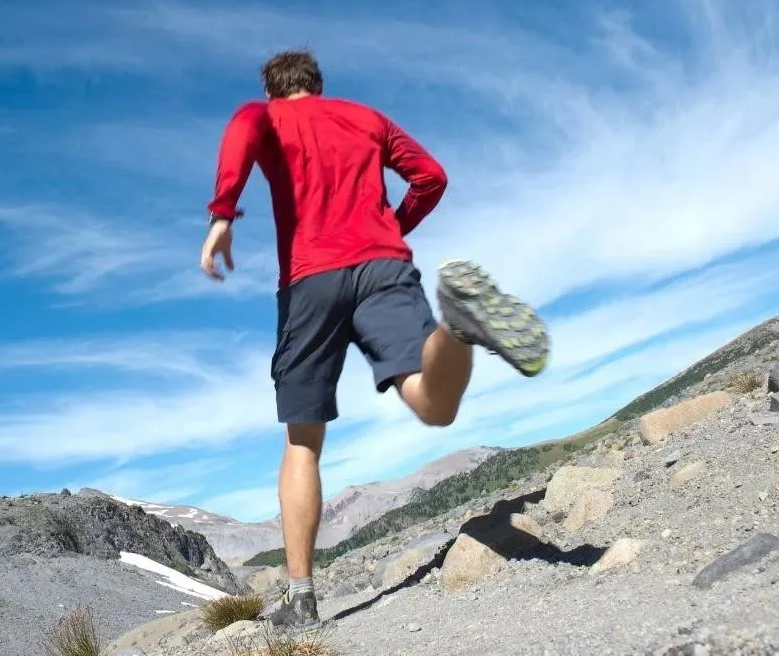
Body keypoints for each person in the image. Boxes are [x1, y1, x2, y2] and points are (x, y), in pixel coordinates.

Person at [200, 49, 549, 630]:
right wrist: (393, 227)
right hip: (384, 267)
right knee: (431, 403)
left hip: (309, 280)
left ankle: (301, 597)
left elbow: (243, 127)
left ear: (273, 91)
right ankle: (459, 327)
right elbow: (431, 177)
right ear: (317, 83)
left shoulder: (264, 117)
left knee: (303, 440)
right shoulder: (366, 117)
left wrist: (223, 212)